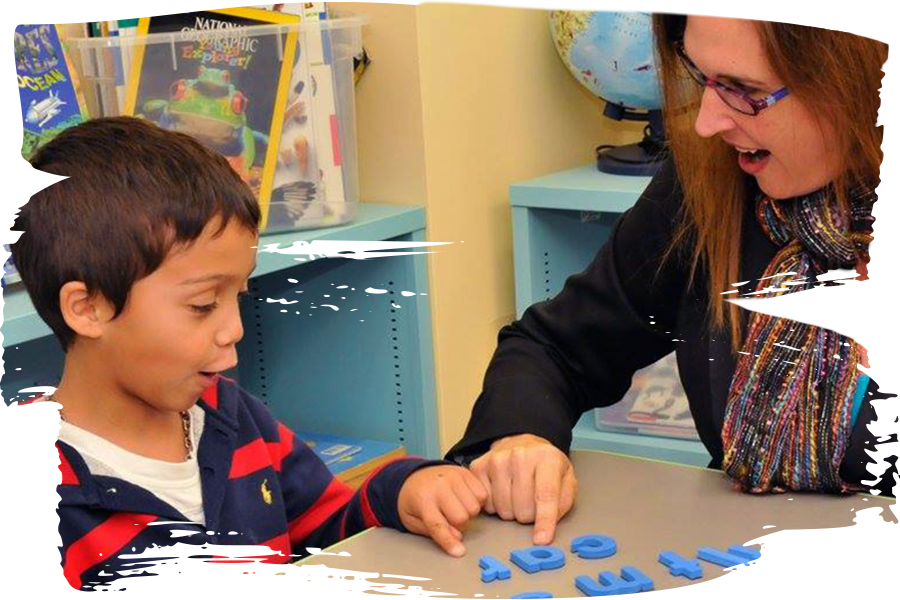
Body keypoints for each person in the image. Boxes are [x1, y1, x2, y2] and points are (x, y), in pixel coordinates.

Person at [448, 0, 900, 546]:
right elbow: (552, 347)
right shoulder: (712, 190)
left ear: (865, 77)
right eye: (701, 76)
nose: (708, 122)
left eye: (744, 90)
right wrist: (520, 437)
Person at [0, 117, 486, 598]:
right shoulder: (21, 519)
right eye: (203, 305)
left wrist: (402, 493)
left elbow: (329, 533)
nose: (234, 329)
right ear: (88, 309)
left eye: (241, 295)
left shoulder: (231, 417)